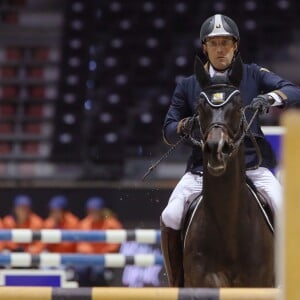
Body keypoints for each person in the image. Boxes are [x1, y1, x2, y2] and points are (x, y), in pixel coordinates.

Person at [160, 14, 300, 286]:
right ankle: (176, 284)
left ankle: (290, 281)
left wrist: (268, 98)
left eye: (225, 43)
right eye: (214, 43)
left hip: (252, 167)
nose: (220, 49)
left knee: (286, 210)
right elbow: (167, 129)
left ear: (235, 46)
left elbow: (292, 91)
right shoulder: (188, 85)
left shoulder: (253, 74)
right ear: (205, 47)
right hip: (203, 169)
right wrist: (185, 125)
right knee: (170, 215)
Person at [76, 197, 122, 286]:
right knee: (80, 270)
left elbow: (114, 245)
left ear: (101, 211)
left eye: (95, 210)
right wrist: (91, 254)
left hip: (104, 257)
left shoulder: (112, 224)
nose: (92, 213)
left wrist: (100, 254)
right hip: (88, 257)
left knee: (98, 272)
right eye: (90, 211)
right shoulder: (84, 223)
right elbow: (81, 246)